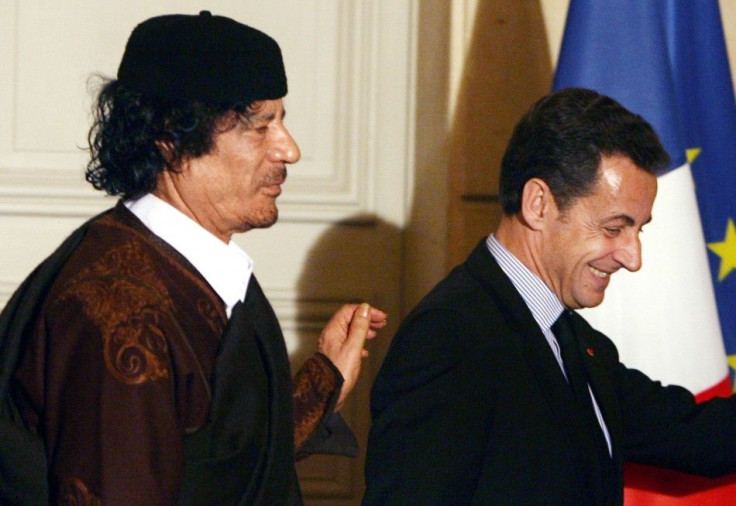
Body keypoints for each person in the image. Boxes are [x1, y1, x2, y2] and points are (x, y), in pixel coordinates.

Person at [0, 11, 387, 505]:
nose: (289, 149)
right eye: (258, 126)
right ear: (171, 136)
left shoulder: (186, 267)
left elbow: (209, 464)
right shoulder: (120, 313)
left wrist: (323, 380)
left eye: (282, 121)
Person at [363, 88, 736, 505]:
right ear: (538, 204)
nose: (633, 258)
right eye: (614, 228)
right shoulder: (451, 336)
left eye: (639, 229)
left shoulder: (576, 341)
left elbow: (697, 435)